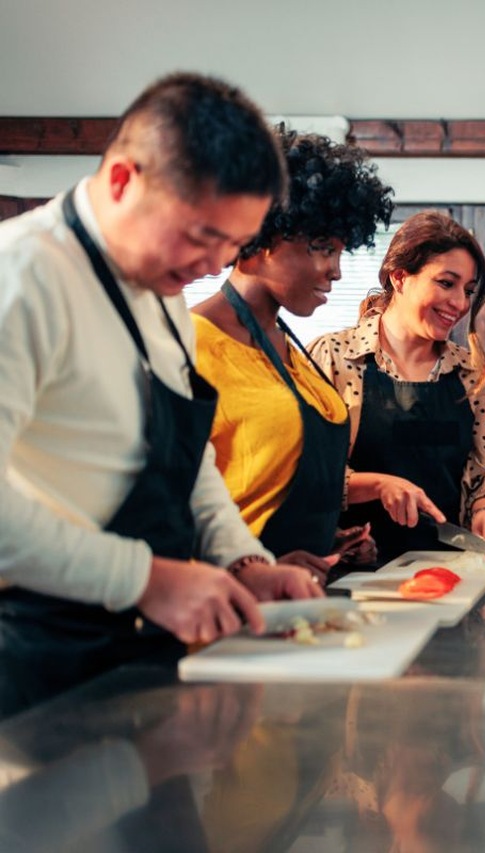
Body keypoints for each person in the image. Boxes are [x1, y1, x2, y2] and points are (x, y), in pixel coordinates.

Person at [0, 72, 321, 716]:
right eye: (201, 236)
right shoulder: (25, 276)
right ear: (123, 179)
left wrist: (241, 562)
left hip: (150, 650)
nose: (211, 266)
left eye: (232, 245)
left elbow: (185, 459)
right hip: (42, 658)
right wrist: (144, 579)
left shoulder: (165, 290)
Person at [192, 127, 393, 581]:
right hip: (228, 607)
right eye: (323, 248)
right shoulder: (191, 344)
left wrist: (327, 543)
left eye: (341, 252)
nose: (336, 271)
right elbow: (170, 504)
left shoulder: (293, 350)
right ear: (262, 235)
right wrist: (255, 567)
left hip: (295, 603)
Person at [308, 211, 485, 564]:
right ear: (400, 277)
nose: (461, 304)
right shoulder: (334, 358)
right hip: (353, 571)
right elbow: (307, 476)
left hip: (450, 571)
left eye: (468, 290)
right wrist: (379, 484)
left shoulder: (470, 371)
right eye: (446, 283)